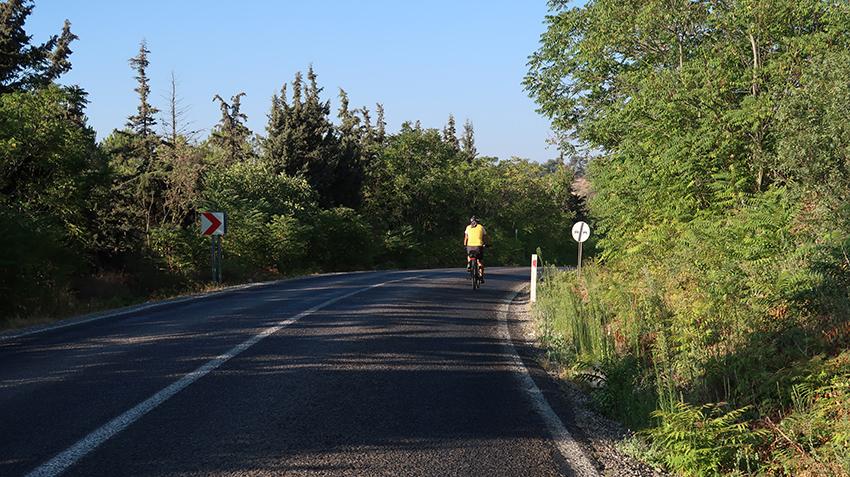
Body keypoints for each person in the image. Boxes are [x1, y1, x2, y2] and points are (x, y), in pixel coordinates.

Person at [464, 215, 491, 282]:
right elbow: (486, 237)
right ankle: (481, 276)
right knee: (480, 261)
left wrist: (465, 244)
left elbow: (466, 238)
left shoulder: (468, 227)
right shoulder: (481, 227)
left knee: (469, 255)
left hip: (470, 246)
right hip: (478, 246)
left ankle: (469, 263)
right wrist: (488, 244)